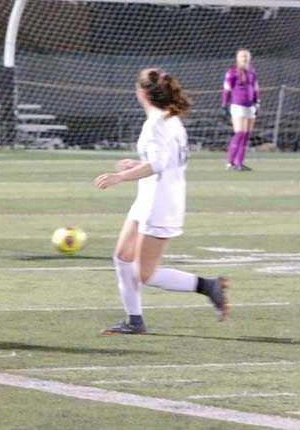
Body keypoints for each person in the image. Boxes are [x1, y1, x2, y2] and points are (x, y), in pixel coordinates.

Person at [95, 68, 229, 335]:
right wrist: (137, 164)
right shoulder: (170, 118)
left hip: (160, 204)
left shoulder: (157, 122)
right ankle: (134, 320)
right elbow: (165, 161)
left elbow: (157, 164)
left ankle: (208, 286)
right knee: (122, 256)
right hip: (149, 197)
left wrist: (120, 176)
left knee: (145, 274)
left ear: (142, 92)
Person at [221, 48, 260, 171]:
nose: (245, 58)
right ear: (237, 58)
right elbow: (227, 88)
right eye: (242, 56)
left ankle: (239, 163)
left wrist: (257, 102)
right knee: (239, 133)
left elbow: (255, 88)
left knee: (246, 135)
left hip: (250, 106)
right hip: (238, 105)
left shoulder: (252, 72)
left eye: (247, 56)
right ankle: (230, 163)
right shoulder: (232, 71)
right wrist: (225, 103)